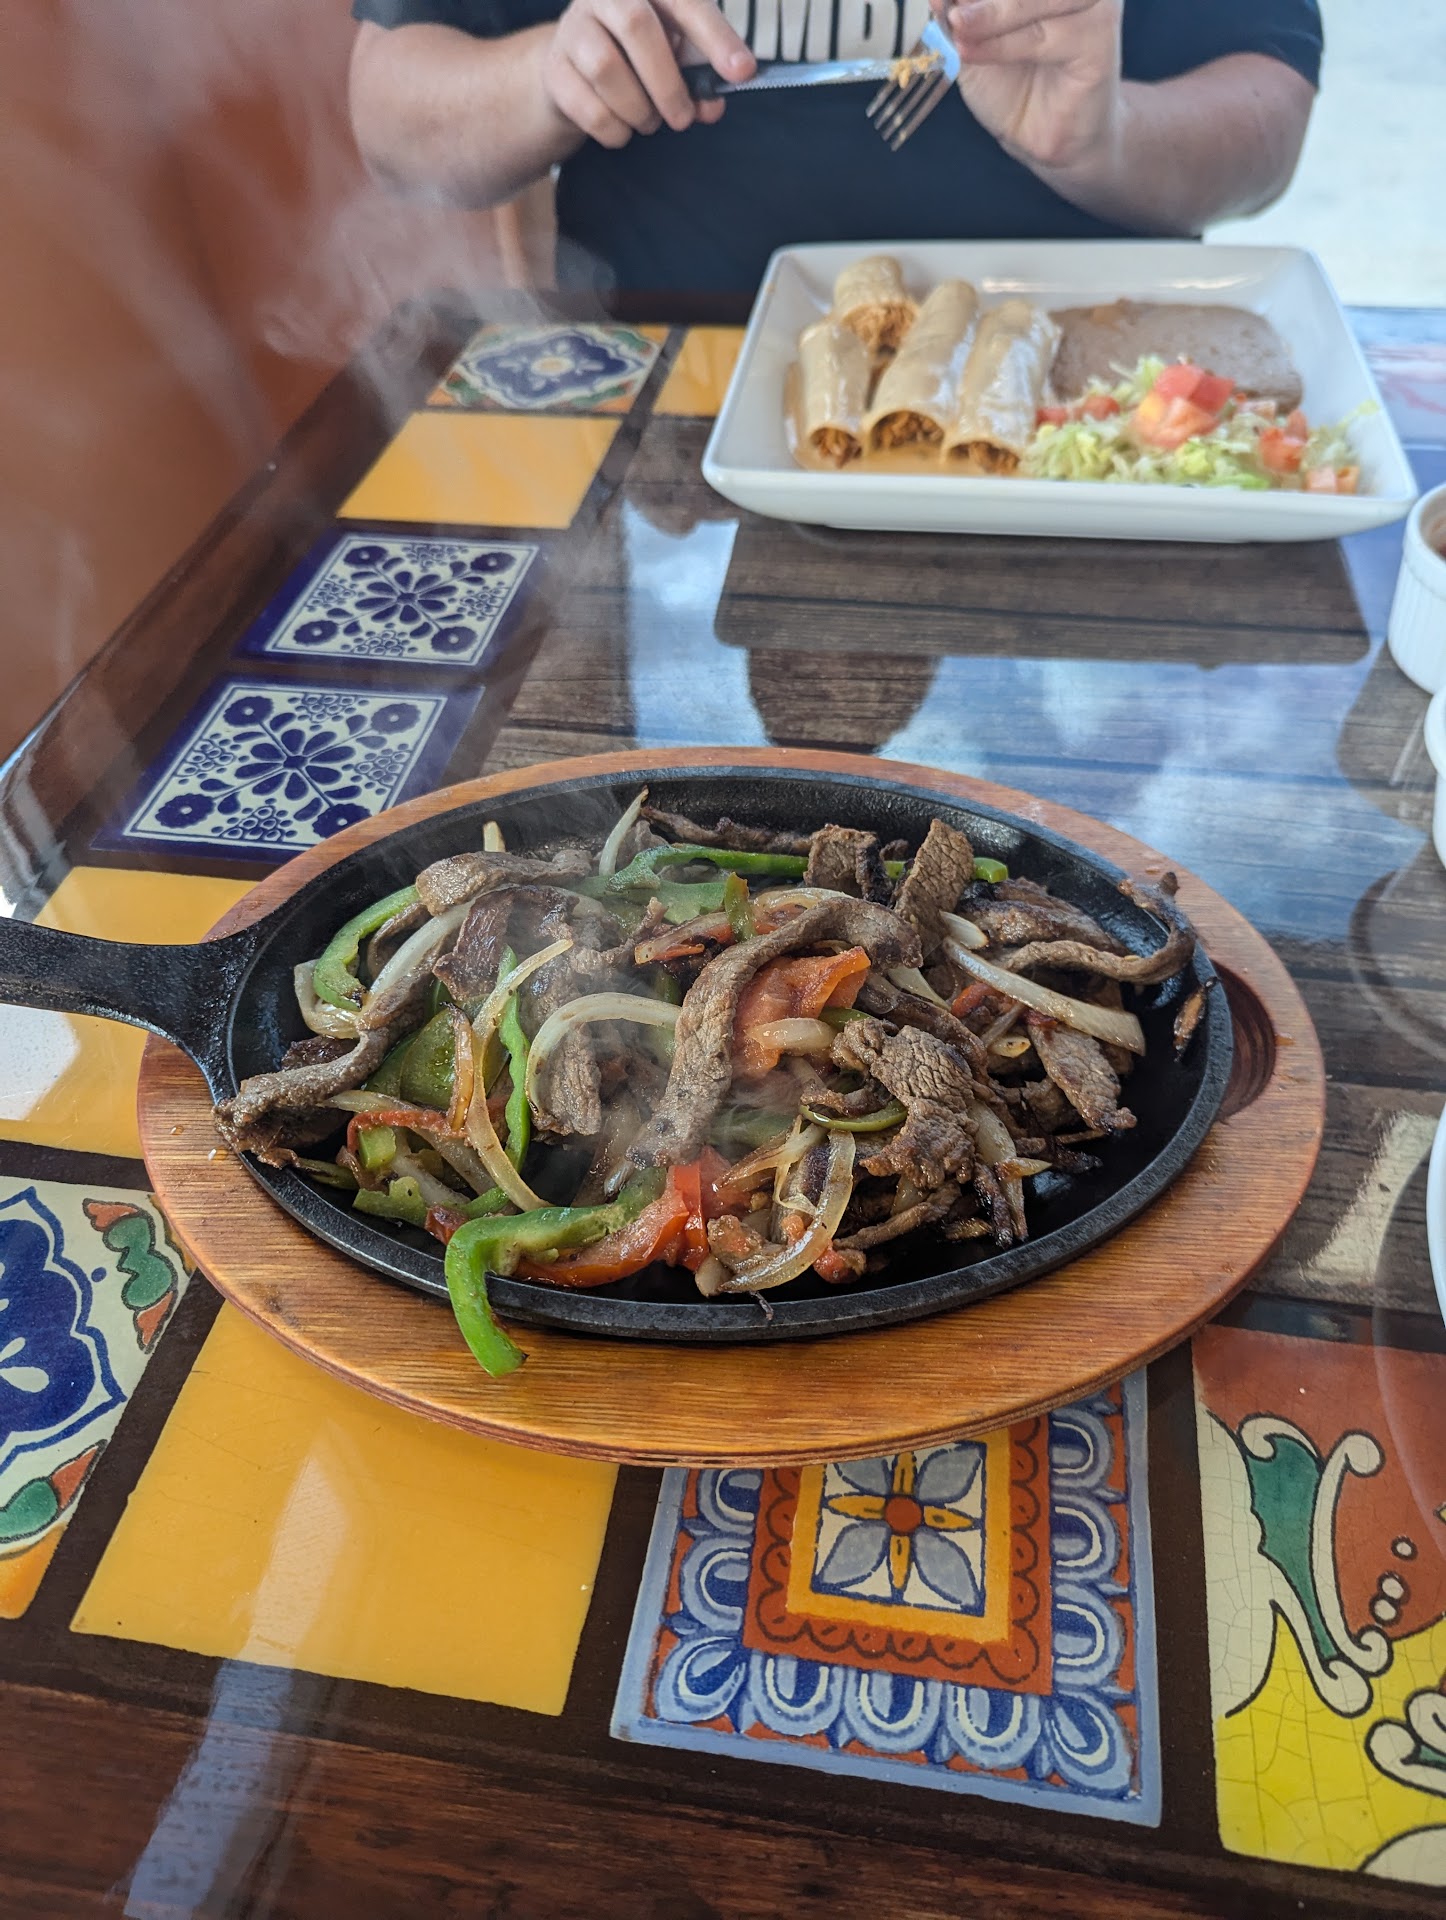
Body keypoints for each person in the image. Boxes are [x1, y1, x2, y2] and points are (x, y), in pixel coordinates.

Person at [348, 0, 1321, 294]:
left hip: (1086, 390)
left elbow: (1267, 112)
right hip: (674, 395)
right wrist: (557, 73)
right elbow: (392, 117)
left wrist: (1104, 140)